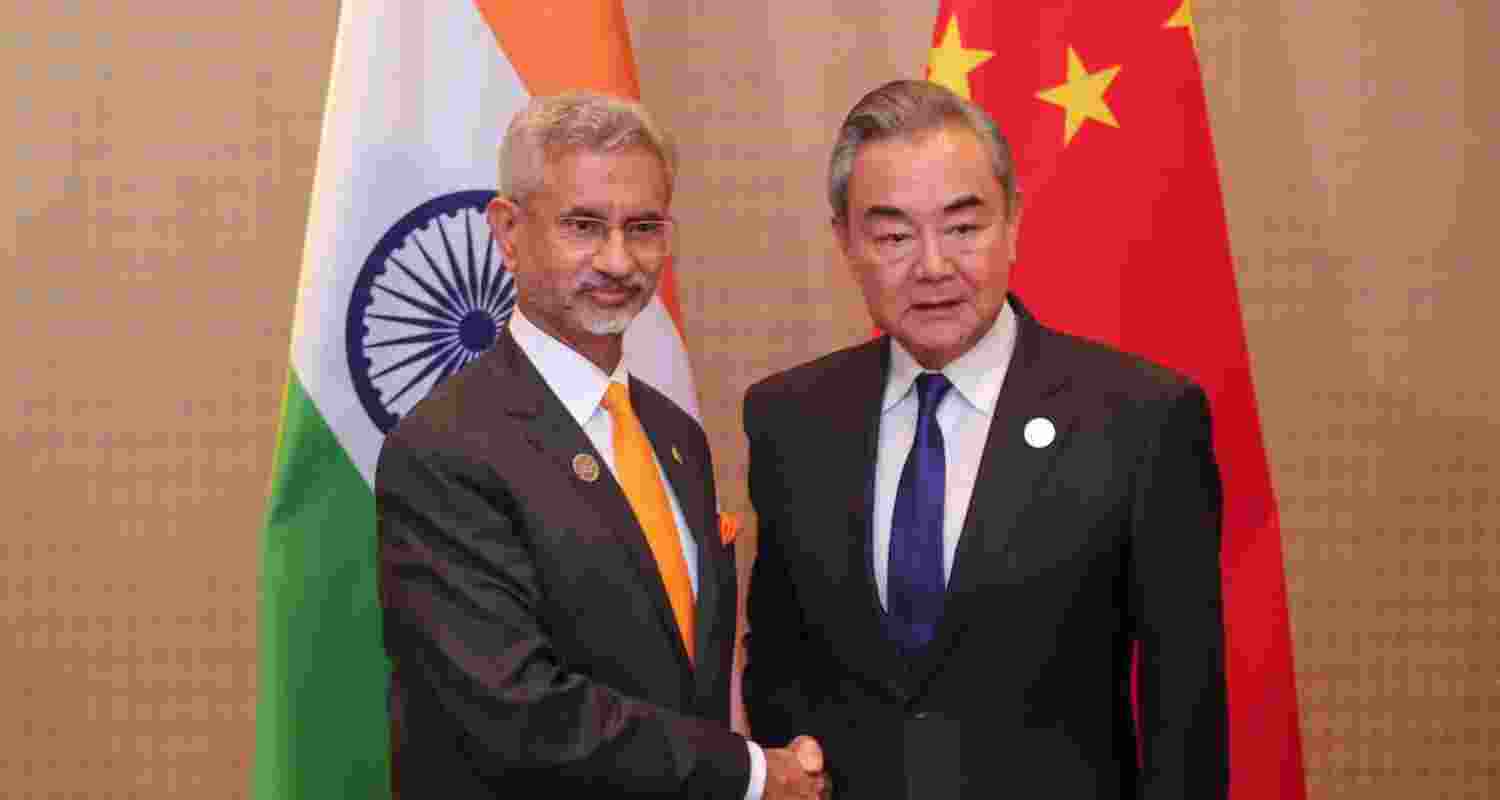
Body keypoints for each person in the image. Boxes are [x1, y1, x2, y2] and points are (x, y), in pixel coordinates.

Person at [742, 79, 1228, 799]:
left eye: (964, 228)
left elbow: (1182, 708)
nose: (933, 266)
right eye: (894, 236)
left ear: (1014, 223)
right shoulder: (790, 419)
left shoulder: (1141, 419)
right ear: (845, 242)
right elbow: (780, 663)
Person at [378, 91, 826, 799]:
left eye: (642, 228)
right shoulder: (444, 450)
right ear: (508, 231)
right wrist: (750, 775)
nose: (618, 261)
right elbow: (516, 711)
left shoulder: (674, 436)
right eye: (583, 226)